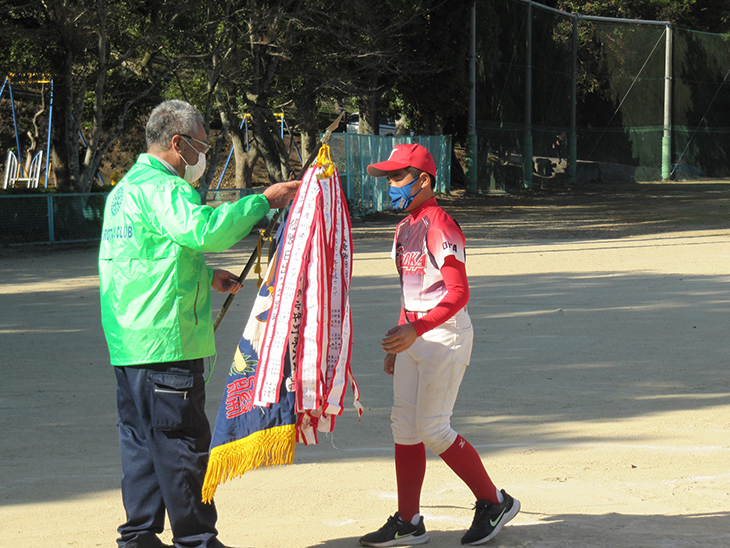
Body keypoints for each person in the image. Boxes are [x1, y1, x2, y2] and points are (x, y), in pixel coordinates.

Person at [98, 99, 299, 548]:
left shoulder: (123, 192)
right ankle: (197, 541)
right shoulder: (164, 189)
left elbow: (142, 260)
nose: (203, 158)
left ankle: (139, 537)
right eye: (203, 147)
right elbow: (203, 231)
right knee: (182, 448)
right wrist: (261, 202)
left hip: (129, 344)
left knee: (143, 447)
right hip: (167, 344)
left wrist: (206, 277)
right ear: (178, 143)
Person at [358, 144, 519, 547]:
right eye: (389, 178)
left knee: (432, 427)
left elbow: (459, 292)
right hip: (414, 335)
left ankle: (494, 501)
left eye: (398, 177)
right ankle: (409, 521)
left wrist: (418, 330)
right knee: (405, 427)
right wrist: (400, 338)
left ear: (424, 179)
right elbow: (409, 291)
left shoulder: (440, 224)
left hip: (444, 335)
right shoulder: (402, 228)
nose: (391, 185)